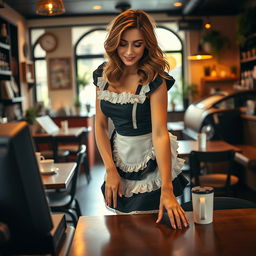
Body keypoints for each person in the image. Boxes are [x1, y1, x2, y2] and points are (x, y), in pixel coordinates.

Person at [93, 9, 189, 229]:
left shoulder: (155, 79)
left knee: (151, 229)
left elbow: (160, 132)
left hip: (152, 158)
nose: (129, 51)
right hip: (118, 157)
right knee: (123, 227)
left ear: (147, 44)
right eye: (123, 43)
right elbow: (99, 125)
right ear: (114, 43)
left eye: (137, 44)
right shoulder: (103, 76)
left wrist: (167, 187)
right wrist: (110, 169)